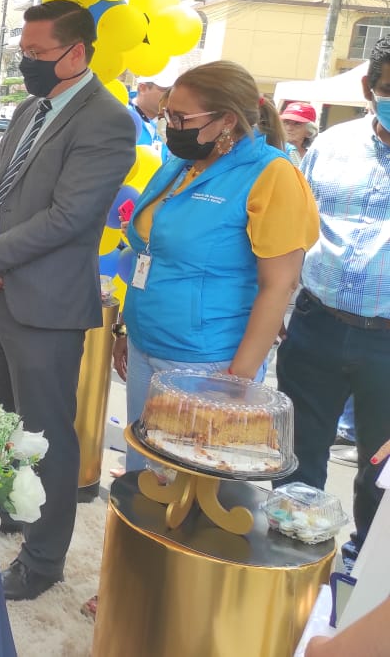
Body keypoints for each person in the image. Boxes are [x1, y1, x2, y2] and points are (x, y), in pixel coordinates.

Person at [0, 0, 136, 601]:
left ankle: (43, 559)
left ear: (76, 52)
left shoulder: (106, 120)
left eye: (37, 53)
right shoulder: (30, 109)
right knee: (2, 418)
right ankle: (11, 507)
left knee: (47, 435)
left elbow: (70, 217)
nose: (26, 63)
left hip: (47, 305)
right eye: (23, 52)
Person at [113, 62, 319, 473]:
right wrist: (125, 326)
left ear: (227, 120)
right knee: (144, 474)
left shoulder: (272, 175)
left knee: (191, 487)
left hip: (207, 364)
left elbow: (279, 286)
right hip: (146, 344)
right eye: (168, 115)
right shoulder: (182, 163)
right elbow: (148, 250)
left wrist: (237, 379)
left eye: (181, 118)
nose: (170, 126)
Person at [276, 37, 390, 573]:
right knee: (297, 456)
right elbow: (298, 227)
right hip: (316, 324)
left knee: (380, 471)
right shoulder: (330, 145)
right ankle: (293, 565)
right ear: (370, 88)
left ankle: (363, 574)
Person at [281, 100, 318, 167]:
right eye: (286, 122)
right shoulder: (270, 151)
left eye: (297, 124)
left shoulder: (313, 158)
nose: (289, 128)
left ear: (309, 132)